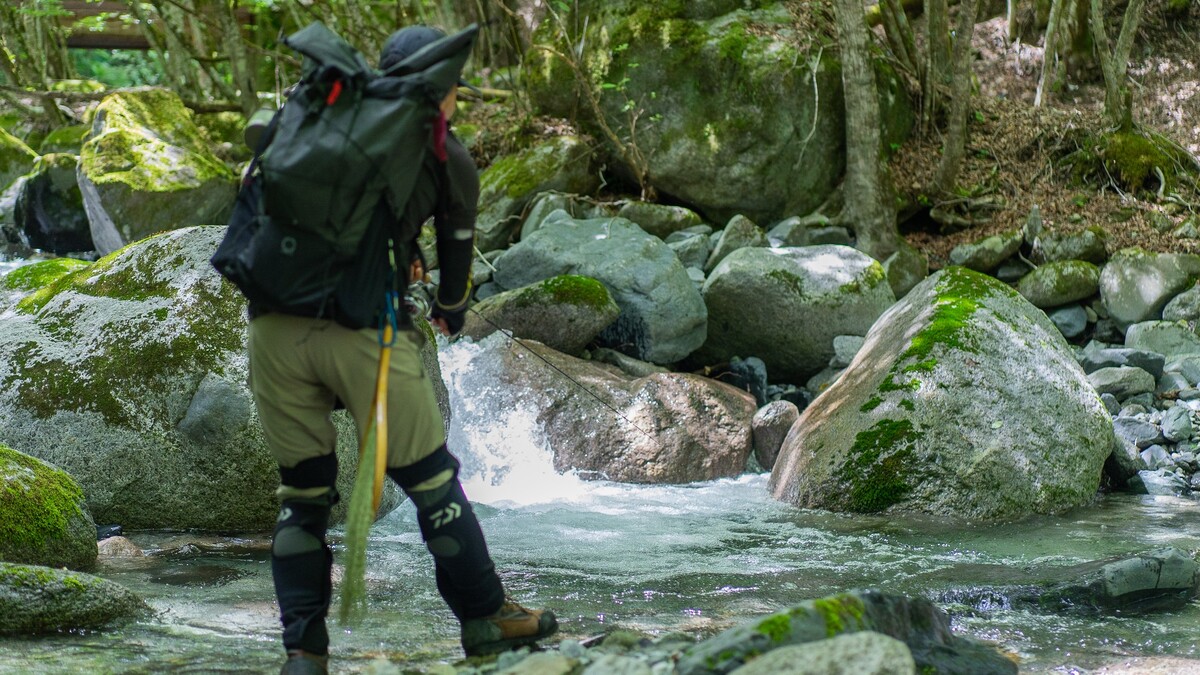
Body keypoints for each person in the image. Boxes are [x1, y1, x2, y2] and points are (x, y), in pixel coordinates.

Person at [246, 25, 558, 675]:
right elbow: (456, 274)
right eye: (454, 96)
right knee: (432, 479)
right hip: (361, 334)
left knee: (303, 496)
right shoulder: (444, 155)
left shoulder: (315, 119)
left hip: (272, 328)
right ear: (440, 92)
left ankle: (303, 653)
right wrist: (447, 309)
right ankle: (487, 615)